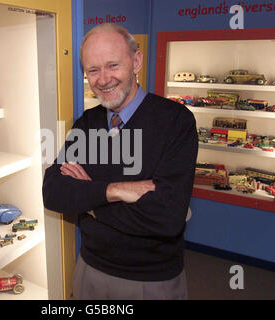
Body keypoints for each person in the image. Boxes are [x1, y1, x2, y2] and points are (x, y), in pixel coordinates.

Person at [42, 23, 198, 300]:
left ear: (136, 61)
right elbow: (53, 191)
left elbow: (167, 217)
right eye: (93, 70)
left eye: (113, 65)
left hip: (151, 281)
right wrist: (113, 191)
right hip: (90, 270)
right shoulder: (88, 123)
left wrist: (90, 202)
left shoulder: (175, 121)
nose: (103, 79)